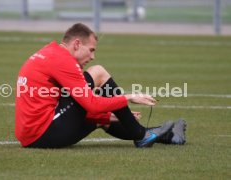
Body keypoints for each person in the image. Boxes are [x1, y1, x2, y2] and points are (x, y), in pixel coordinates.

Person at [15, 23, 186, 149]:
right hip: (43, 134)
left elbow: (76, 103)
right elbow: (91, 105)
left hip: (33, 133)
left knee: (100, 117)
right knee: (98, 73)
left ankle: (169, 136)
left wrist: (111, 115)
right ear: (76, 44)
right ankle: (142, 135)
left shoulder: (51, 51)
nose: (93, 56)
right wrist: (128, 97)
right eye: (91, 49)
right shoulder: (63, 60)